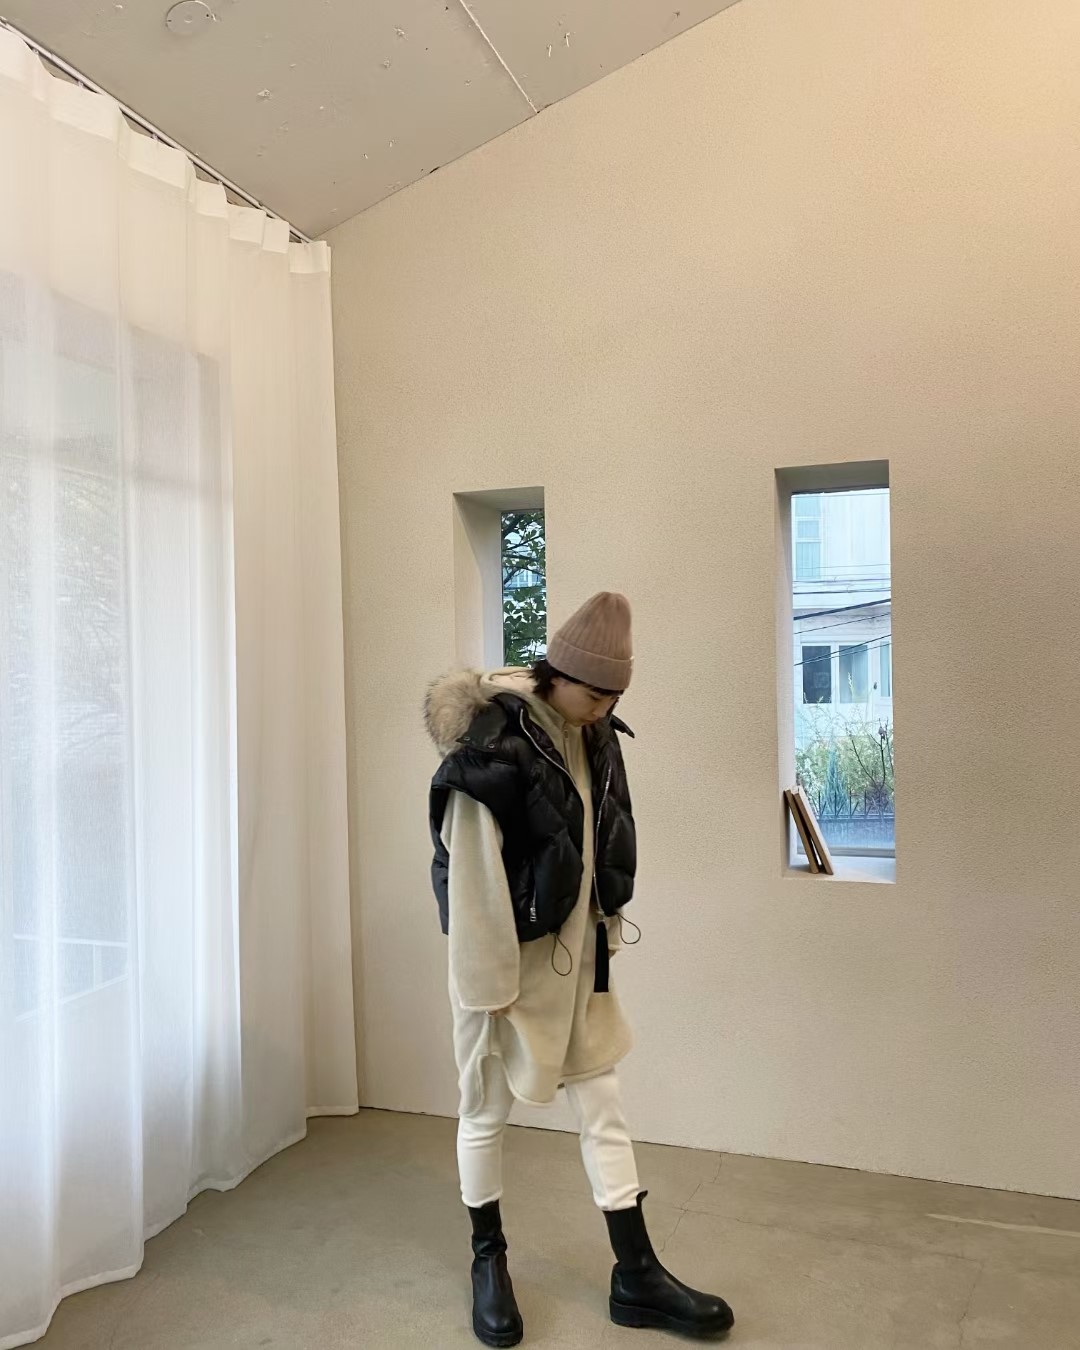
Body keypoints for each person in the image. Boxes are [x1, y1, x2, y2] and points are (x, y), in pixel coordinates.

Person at [426, 592, 734, 1346]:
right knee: (484, 1111)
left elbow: (597, 841)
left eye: (615, 698)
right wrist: (487, 989)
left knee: (603, 1103)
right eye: (595, 694)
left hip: (578, 965)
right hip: (502, 970)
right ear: (556, 674)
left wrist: (605, 935)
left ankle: (637, 1274)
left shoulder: (594, 734)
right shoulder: (490, 749)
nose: (605, 710)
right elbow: (472, 881)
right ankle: (488, 1261)